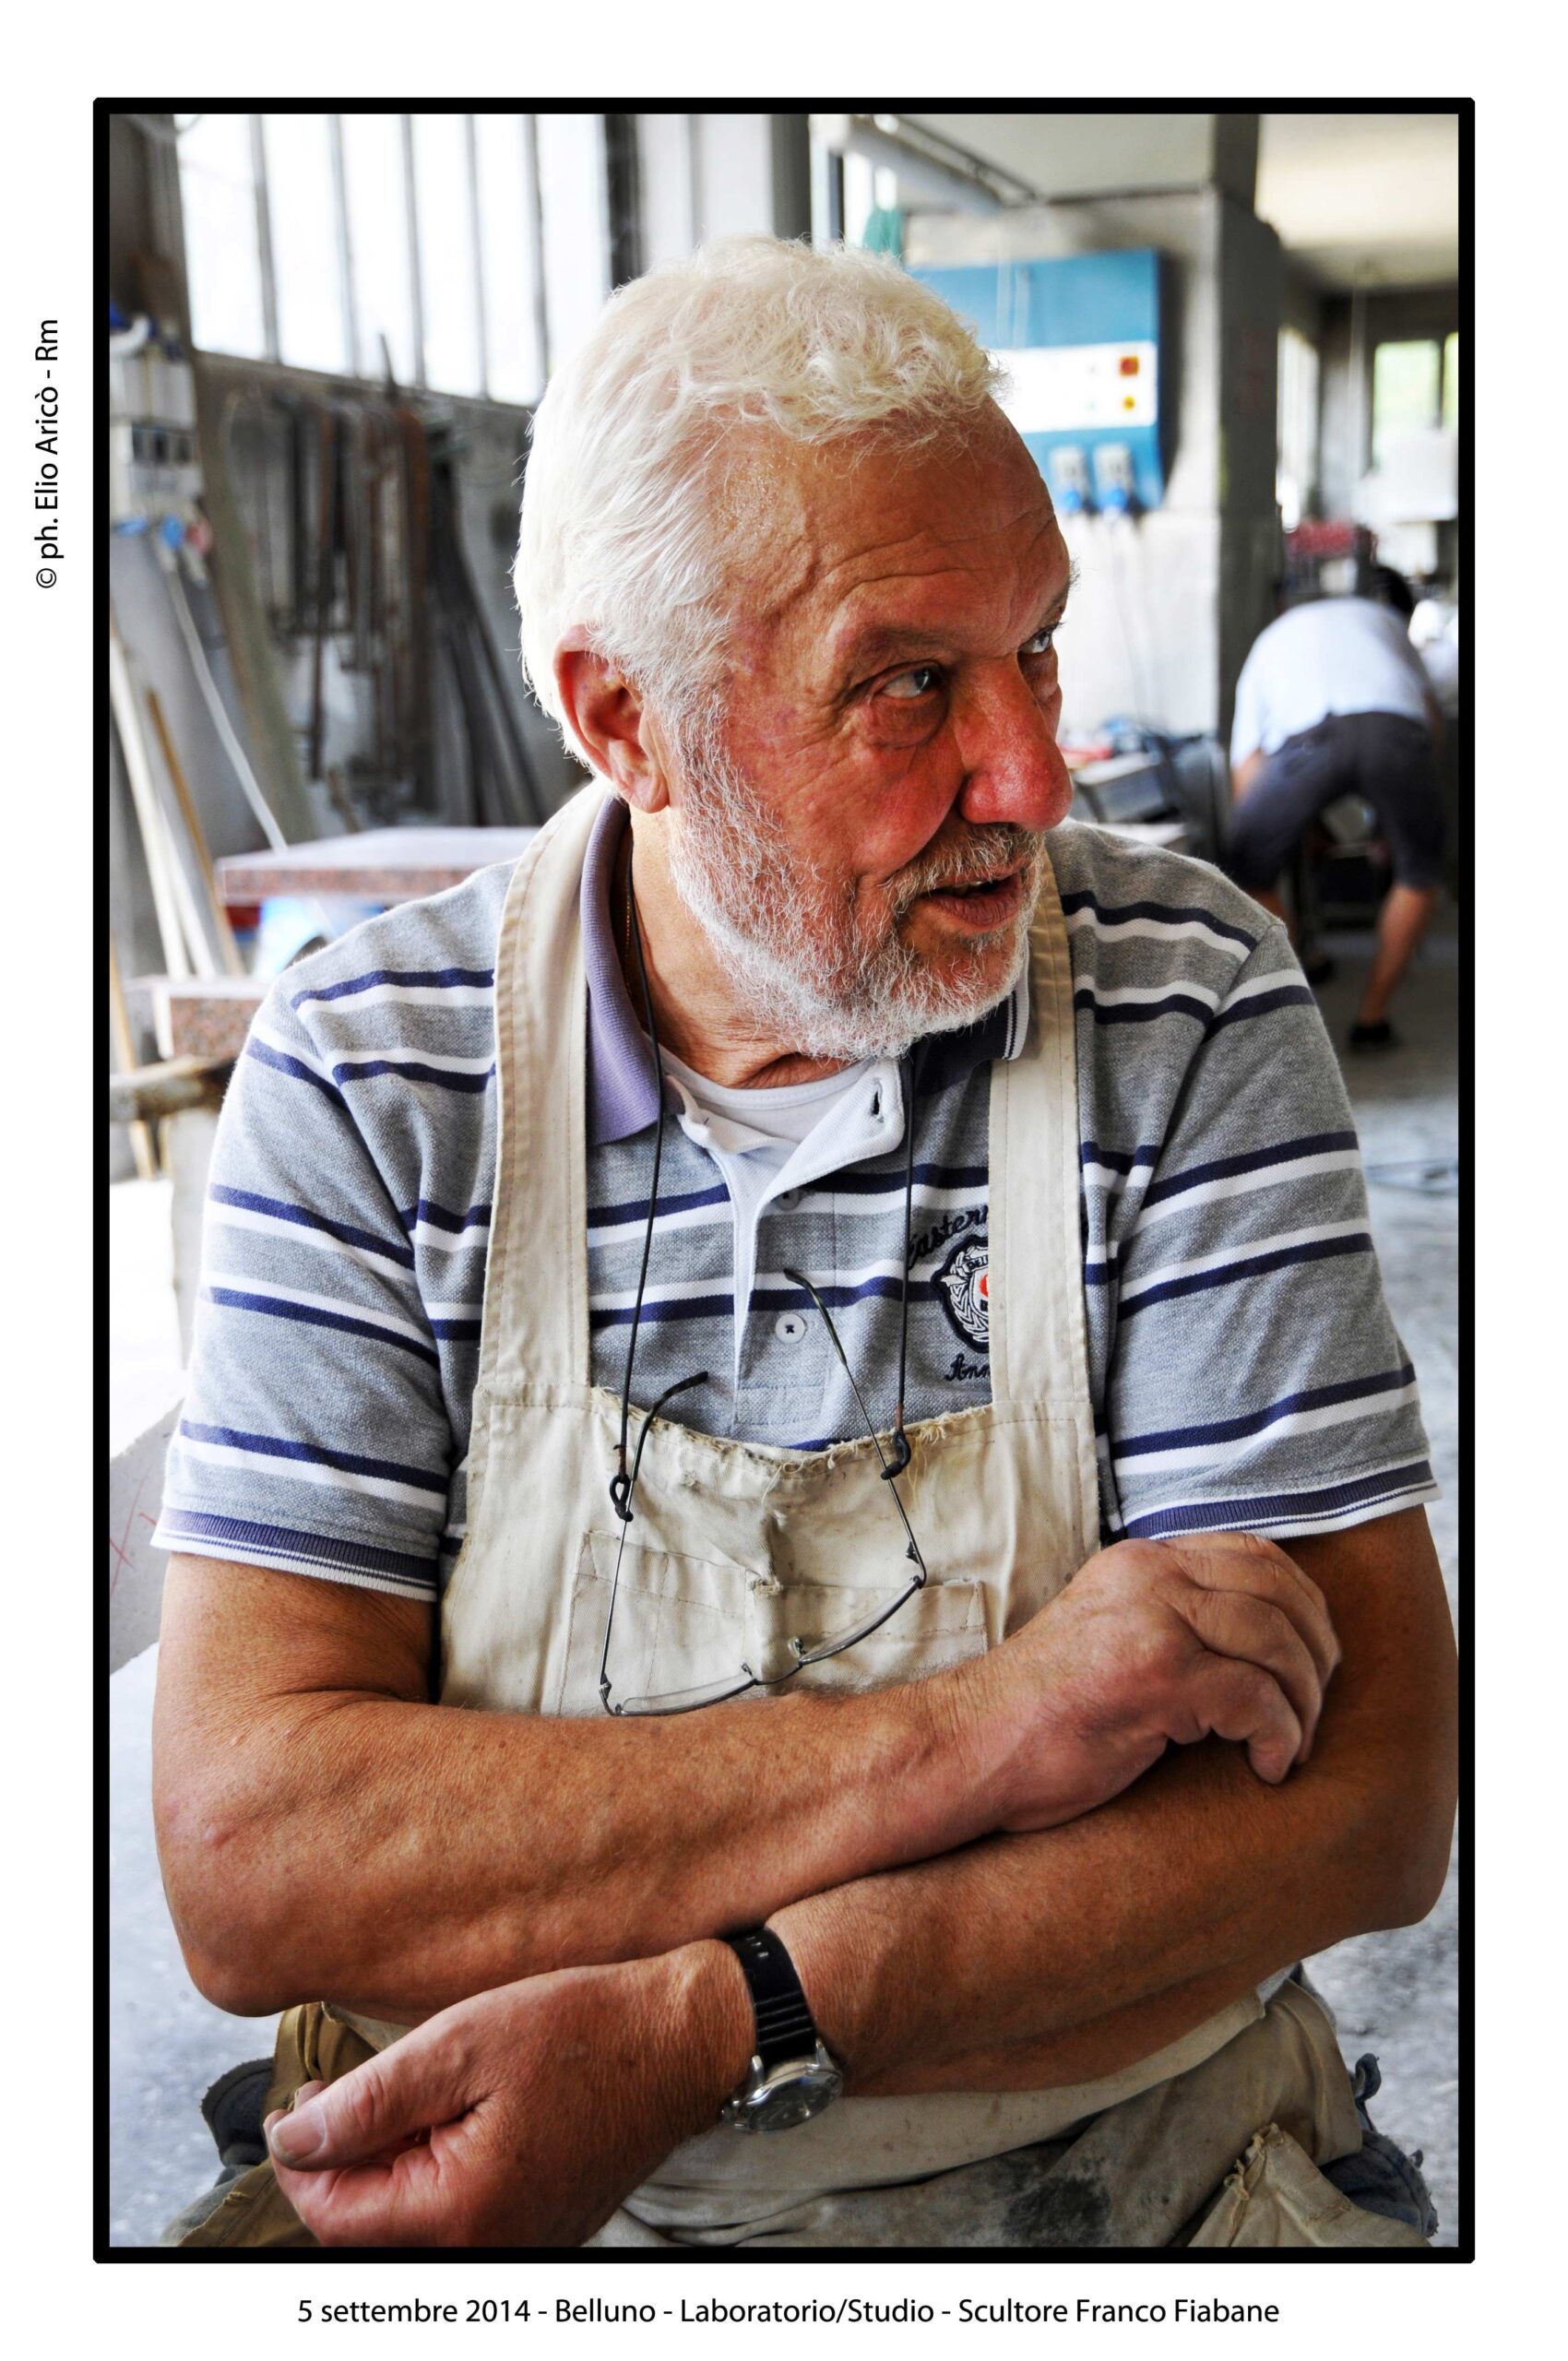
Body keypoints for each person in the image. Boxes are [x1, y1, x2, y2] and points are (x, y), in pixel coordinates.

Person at [150, 239, 1455, 2250]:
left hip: (1141, 2182)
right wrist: (988, 1734)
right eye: (909, 683)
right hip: (471, 2192)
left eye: (1037, 651)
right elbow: (260, 1860)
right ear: (627, 721)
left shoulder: (1179, 1002)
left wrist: (722, 2019)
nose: (1031, 778)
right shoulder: (375, 1072)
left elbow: (1367, 1793)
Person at [1228, 569, 1445, 1049]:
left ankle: (1298, 1008)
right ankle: (1372, 1020)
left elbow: (1247, 767)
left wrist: (1272, 836)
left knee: (1248, 870)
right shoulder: (1387, 621)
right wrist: (1397, 825)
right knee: (1419, 873)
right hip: (1398, 734)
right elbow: (1431, 718)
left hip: (1308, 741)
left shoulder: (1270, 640)